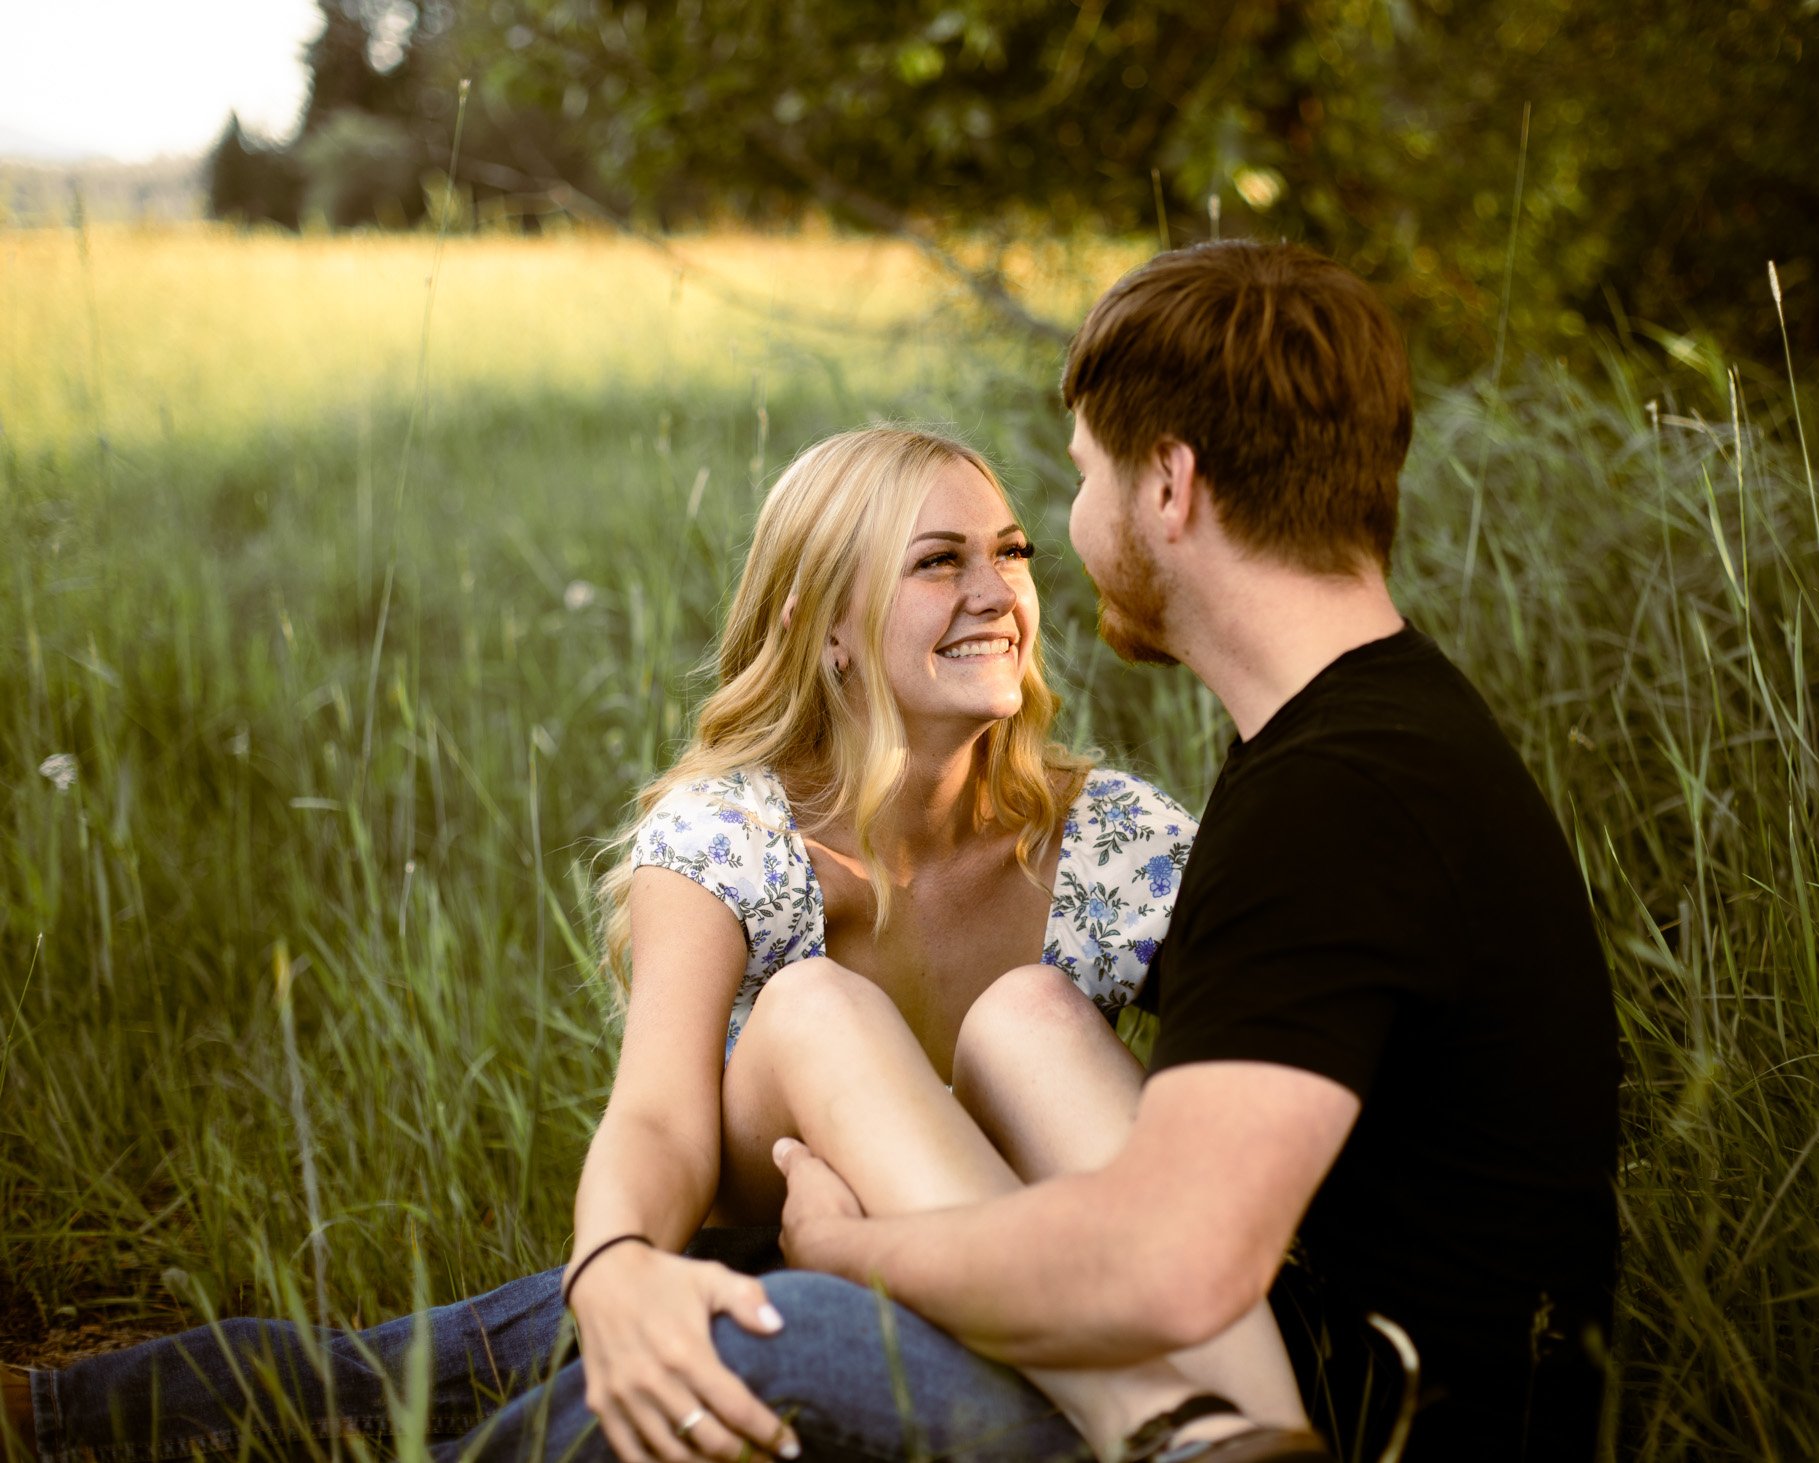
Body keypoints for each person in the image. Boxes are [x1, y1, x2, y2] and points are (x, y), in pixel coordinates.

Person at [1, 426, 1313, 1463]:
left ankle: (1197, 1421)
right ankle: (49, 1415)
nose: (997, 592)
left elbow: (1238, 1087)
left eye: (1013, 550)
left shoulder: (1116, 842)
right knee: (442, 1348)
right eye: (938, 560)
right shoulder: (738, 830)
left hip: (1011, 1268)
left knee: (1035, 1015)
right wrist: (620, 1264)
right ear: (834, 625)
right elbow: (663, 1122)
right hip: (742, 1234)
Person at [769, 243, 1623, 1462]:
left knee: (758, 1331)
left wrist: (851, 1251)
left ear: (1167, 485)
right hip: (1320, 1371)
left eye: (1078, 478)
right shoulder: (1376, 736)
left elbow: (1170, 1267)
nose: (1063, 532)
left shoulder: (1333, 799)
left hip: (1366, 1426)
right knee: (1025, 1019)